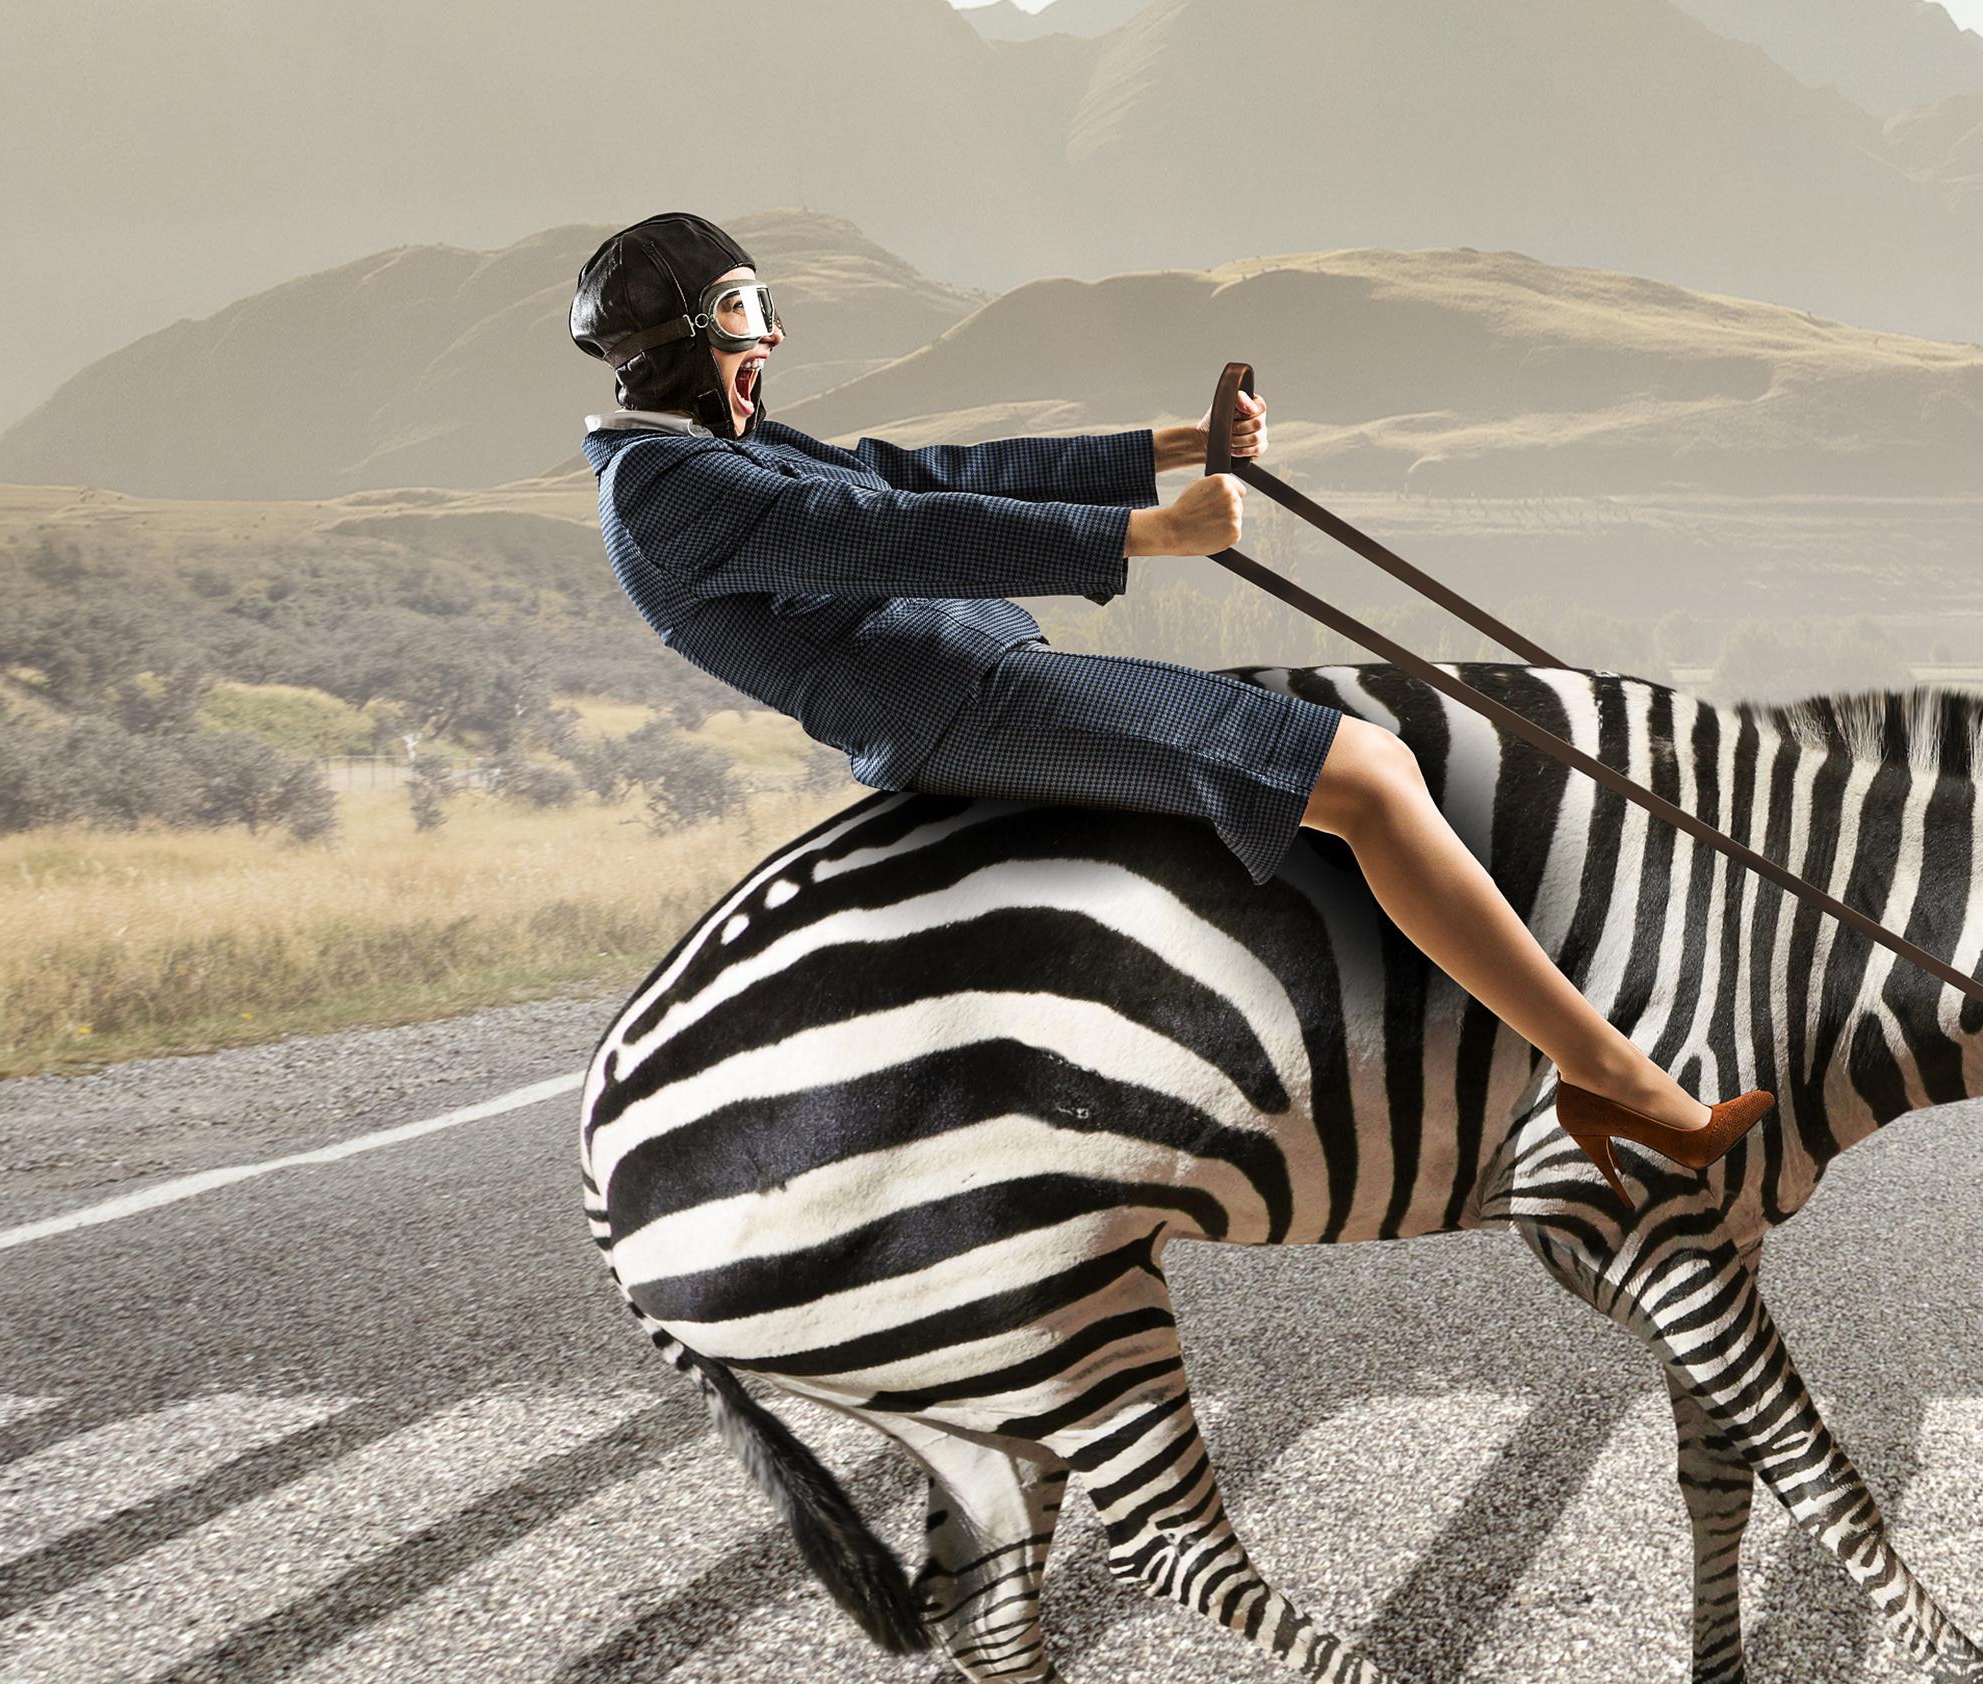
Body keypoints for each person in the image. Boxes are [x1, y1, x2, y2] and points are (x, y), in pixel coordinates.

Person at [570, 211, 1764, 1189]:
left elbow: (923, 472)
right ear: (671, 339)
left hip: (982, 673)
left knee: (1368, 761)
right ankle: (1611, 1077)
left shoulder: (720, 452)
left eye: (762, 305)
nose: (767, 334)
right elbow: (891, 533)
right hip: (958, 707)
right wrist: (1149, 534)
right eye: (738, 313)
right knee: (1360, 778)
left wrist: (1176, 444)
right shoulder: (667, 489)